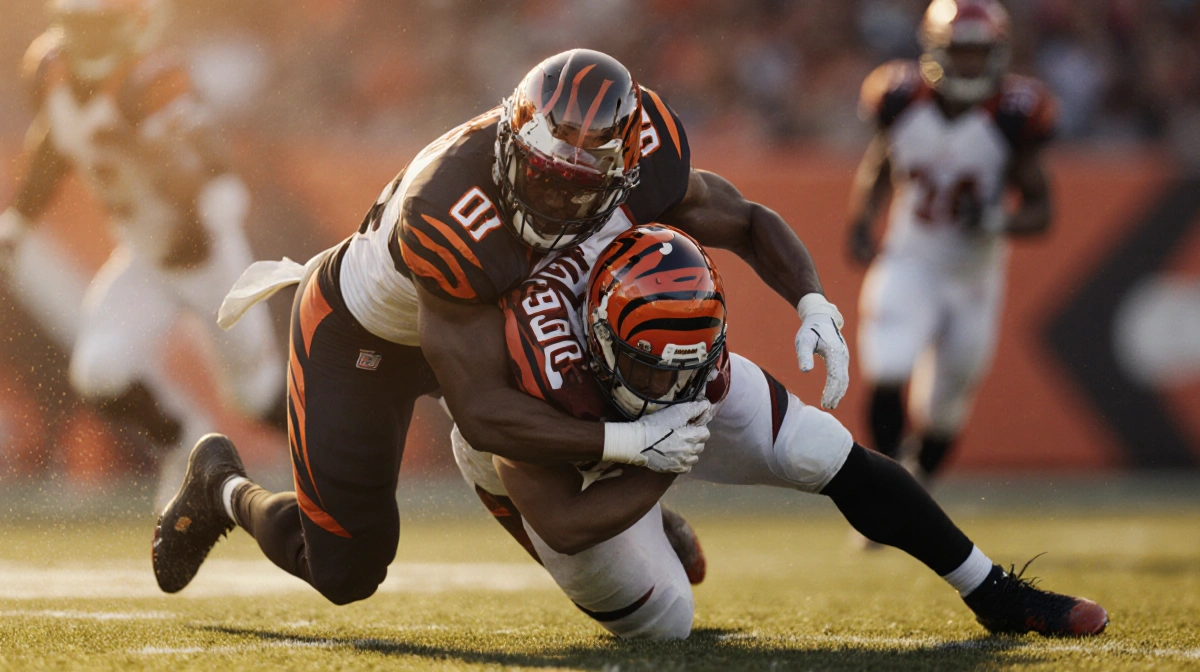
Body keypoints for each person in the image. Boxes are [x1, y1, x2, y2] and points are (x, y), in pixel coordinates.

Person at [152, 49, 849, 607]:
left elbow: (743, 219)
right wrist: (637, 448)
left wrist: (814, 303)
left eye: (582, 182)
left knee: (602, 369)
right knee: (346, 571)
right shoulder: (448, 211)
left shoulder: (633, 154)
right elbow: (484, 415)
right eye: (546, 177)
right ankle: (222, 487)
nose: (562, 198)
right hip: (370, 338)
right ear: (514, 149)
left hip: (483, 314)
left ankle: (629, 520)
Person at [452, 224, 1107, 639]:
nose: (673, 387)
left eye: (692, 363)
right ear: (598, 340)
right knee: (666, 621)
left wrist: (812, 303)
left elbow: (747, 218)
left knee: (823, 450)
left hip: (639, 396)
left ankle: (995, 593)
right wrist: (658, 463)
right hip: (559, 462)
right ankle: (520, 497)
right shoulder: (539, 374)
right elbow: (565, 523)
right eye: (652, 368)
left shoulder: (688, 353)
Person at [0, 0, 286, 508]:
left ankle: (342, 466)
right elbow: (55, 141)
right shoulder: (50, 70)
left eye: (97, 26)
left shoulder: (151, 79)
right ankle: (190, 450)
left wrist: (212, 189)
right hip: (144, 260)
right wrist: (19, 218)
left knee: (257, 396)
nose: (86, 39)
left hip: (207, 260)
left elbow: (204, 149)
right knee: (99, 369)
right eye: (79, 26)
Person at [847, 0, 1056, 486]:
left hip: (973, 277)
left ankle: (918, 489)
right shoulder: (900, 97)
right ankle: (891, 487)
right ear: (936, 49)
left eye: (978, 52)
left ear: (997, 54)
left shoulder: (1011, 115)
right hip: (909, 258)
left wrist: (994, 219)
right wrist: (862, 221)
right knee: (887, 366)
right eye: (960, 50)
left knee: (945, 408)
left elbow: (1042, 211)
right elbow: (880, 163)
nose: (969, 62)